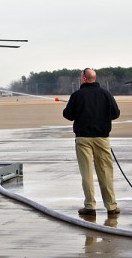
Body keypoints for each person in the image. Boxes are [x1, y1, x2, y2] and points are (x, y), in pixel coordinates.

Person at [63, 68, 120, 216]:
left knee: (86, 173)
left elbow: (68, 115)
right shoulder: (106, 94)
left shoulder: (77, 95)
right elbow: (116, 113)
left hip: (83, 139)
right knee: (106, 172)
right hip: (102, 138)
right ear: (94, 78)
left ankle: (90, 206)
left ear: (83, 78)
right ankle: (111, 206)